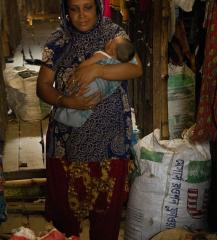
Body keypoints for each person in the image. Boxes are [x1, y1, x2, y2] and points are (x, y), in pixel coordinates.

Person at [36, 0, 143, 239]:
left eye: (88, 7)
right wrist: (67, 101)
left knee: (106, 221)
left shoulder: (113, 33)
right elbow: (42, 86)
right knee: (65, 222)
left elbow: (136, 68)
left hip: (109, 142)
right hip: (67, 144)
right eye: (74, 9)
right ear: (66, 10)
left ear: (97, 7)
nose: (81, 16)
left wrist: (97, 70)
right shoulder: (58, 39)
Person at [54, 37, 136, 127]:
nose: (109, 40)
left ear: (110, 49)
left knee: (77, 96)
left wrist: (77, 71)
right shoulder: (120, 66)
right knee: (86, 102)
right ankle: (75, 119)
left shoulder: (101, 55)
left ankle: (65, 117)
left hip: (90, 85)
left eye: (112, 40)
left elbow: (84, 66)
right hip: (99, 95)